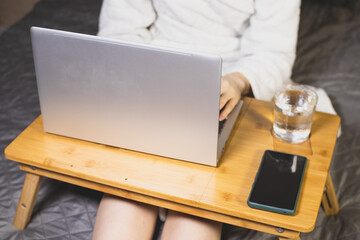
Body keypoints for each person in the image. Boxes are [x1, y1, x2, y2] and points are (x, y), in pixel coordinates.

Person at [92, 0, 301, 239]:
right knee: (124, 203)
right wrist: (142, 73)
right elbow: (120, 29)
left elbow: (273, 53)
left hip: (230, 80)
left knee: (193, 216)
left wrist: (238, 81)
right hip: (153, 73)